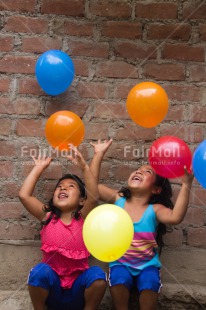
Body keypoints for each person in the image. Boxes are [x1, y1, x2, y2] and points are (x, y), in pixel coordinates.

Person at [90, 139, 194, 310]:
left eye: (147, 172)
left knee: (150, 283)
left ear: (156, 189)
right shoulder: (119, 200)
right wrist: (98, 155)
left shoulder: (155, 209)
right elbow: (92, 187)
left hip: (147, 265)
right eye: (138, 170)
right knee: (119, 279)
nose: (139, 171)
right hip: (120, 262)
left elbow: (175, 217)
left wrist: (186, 184)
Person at [19, 144, 107, 310]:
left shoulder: (83, 217)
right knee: (39, 272)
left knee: (98, 275)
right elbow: (24, 195)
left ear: (82, 200)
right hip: (53, 292)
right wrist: (38, 168)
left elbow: (94, 196)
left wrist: (83, 166)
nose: (63, 188)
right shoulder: (47, 216)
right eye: (59, 187)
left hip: (78, 291)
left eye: (70, 186)